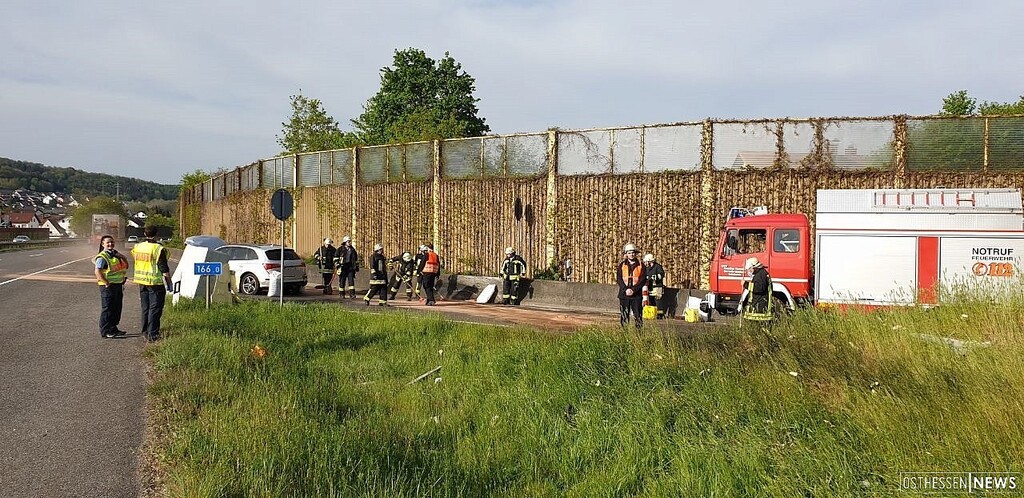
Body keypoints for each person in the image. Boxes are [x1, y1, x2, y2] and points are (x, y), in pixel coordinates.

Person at [131, 226, 172, 342]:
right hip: (155, 282)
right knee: (155, 308)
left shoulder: (138, 247)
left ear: (144, 233)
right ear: (157, 234)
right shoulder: (158, 248)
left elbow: (137, 260)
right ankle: (152, 334)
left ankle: (144, 331)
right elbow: (163, 267)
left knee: (145, 307)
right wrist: (169, 282)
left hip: (141, 281)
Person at [94, 235, 129, 339]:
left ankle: (113, 328)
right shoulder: (102, 256)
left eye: (112, 242)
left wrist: (122, 257)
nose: (110, 244)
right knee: (108, 308)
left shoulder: (115, 255)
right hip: (108, 286)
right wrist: (106, 283)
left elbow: (125, 266)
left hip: (118, 285)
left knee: (117, 308)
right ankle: (105, 331)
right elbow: (97, 272)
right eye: (108, 242)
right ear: (102, 244)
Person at [617, 243, 646, 329]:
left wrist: (633, 290)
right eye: (629, 253)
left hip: (636, 295)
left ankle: (639, 335)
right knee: (624, 315)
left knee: (638, 316)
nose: (631, 254)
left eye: (633, 252)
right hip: (624, 295)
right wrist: (625, 289)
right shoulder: (622, 265)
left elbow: (642, 280)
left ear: (635, 253)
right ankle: (625, 334)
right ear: (626, 254)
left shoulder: (641, 265)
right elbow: (619, 279)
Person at [741, 257, 774, 322]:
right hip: (759, 304)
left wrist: (746, 284)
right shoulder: (761, 274)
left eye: (749, 269)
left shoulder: (760, 275)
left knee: (758, 326)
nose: (749, 271)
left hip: (760, 308)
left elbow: (758, 288)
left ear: (754, 267)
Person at [642, 253, 666, 319]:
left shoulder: (657, 267)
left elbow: (661, 275)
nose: (645, 263)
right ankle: (653, 313)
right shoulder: (647, 268)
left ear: (650, 261)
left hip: (657, 287)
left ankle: (660, 314)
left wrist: (653, 277)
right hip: (650, 287)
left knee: (658, 300)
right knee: (651, 300)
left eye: (646, 262)